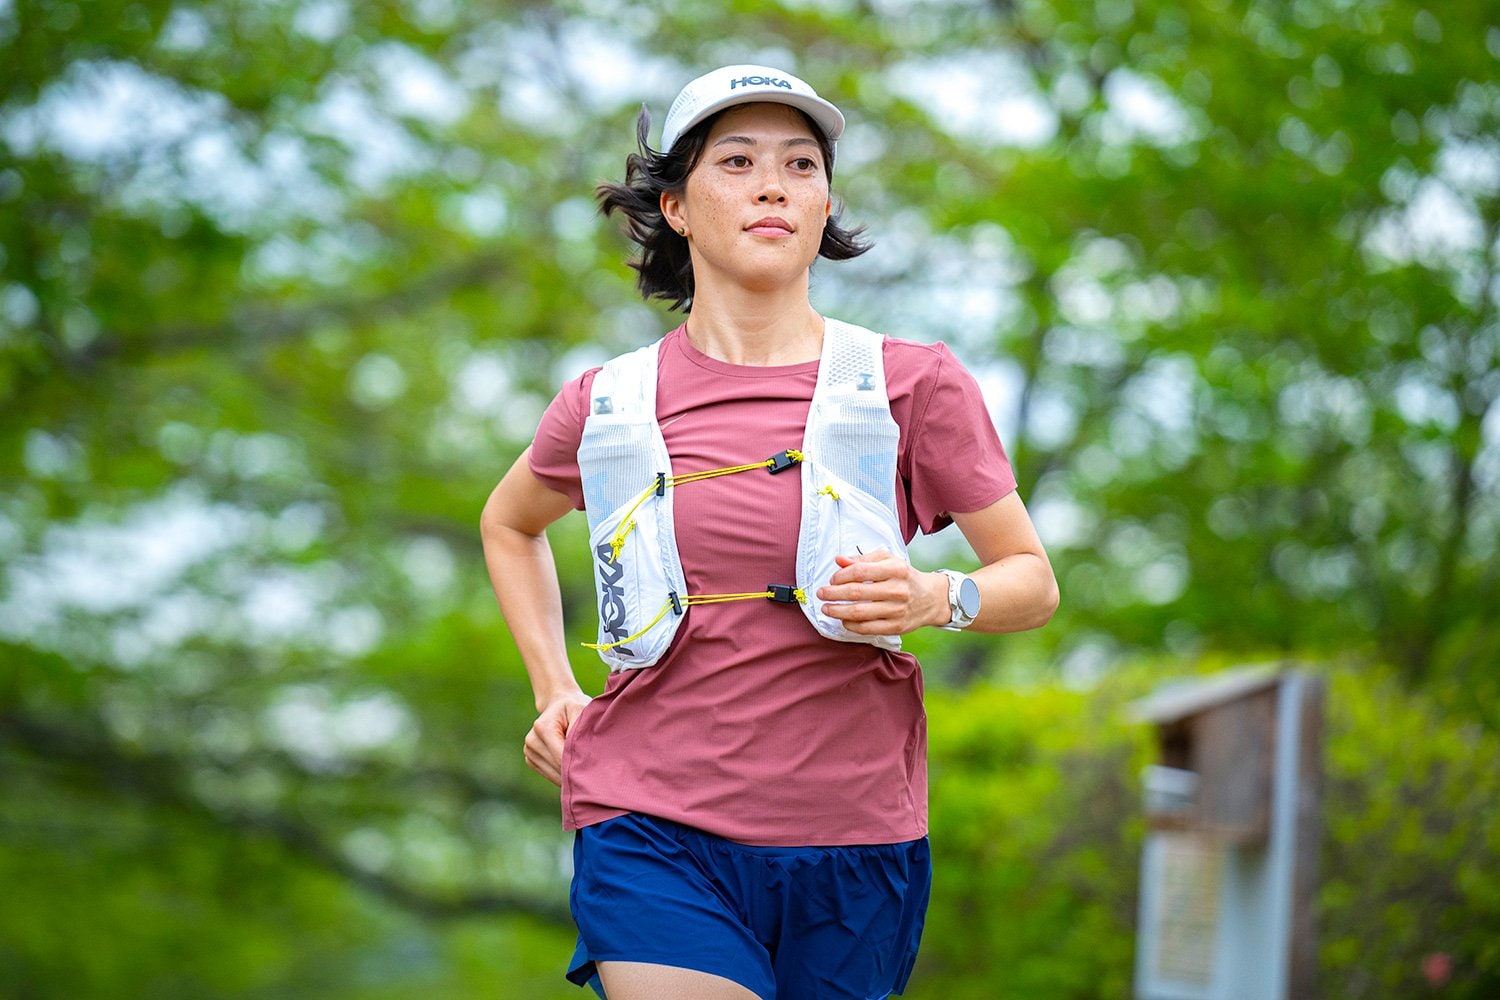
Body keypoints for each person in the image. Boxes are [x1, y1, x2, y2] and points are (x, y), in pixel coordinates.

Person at [480, 63, 1058, 1000]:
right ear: (674, 205)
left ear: (825, 202)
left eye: (800, 165)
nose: (772, 186)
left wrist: (935, 595)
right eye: (737, 161)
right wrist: (553, 687)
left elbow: (1032, 579)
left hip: (855, 839)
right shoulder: (606, 402)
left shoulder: (913, 384)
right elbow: (510, 524)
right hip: (647, 823)